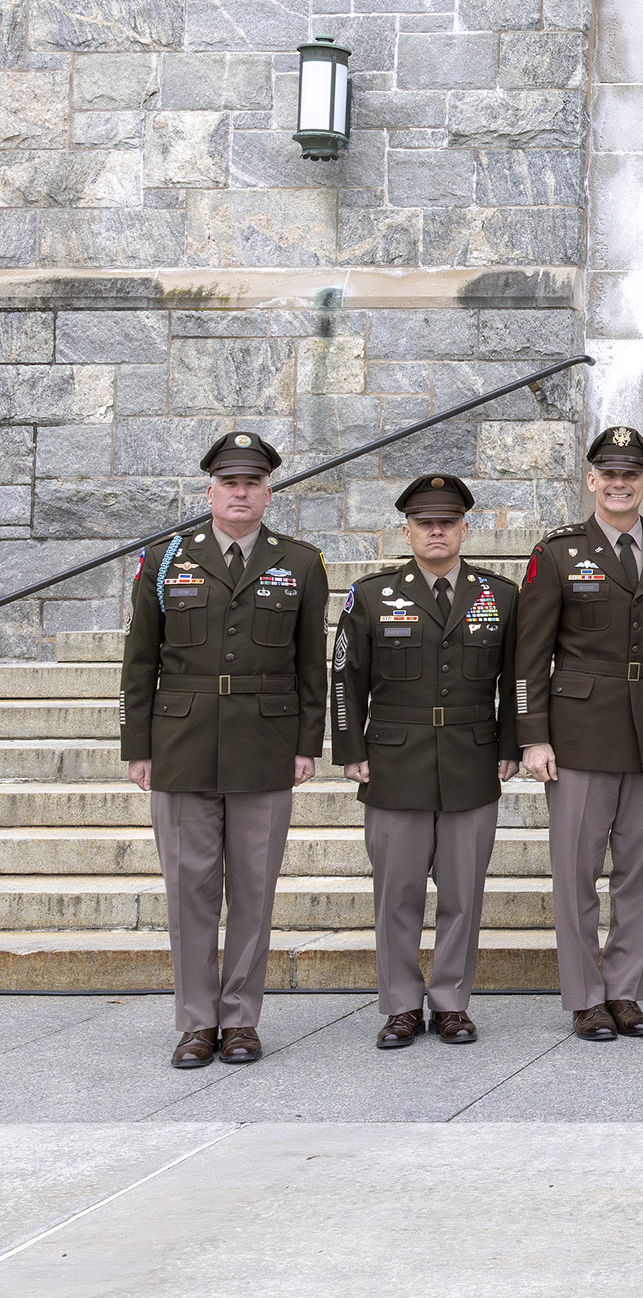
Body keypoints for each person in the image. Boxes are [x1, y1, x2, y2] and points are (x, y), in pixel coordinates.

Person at [119, 432, 327, 1070]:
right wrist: (138, 745)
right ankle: (195, 1022)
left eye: (252, 483)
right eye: (230, 483)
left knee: (254, 889)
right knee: (189, 891)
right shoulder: (164, 559)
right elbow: (141, 659)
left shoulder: (301, 562)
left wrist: (305, 744)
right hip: (180, 744)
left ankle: (239, 1020)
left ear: (269, 493)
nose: (241, 493)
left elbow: (310, 662)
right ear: (209, 491)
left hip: (265, 744)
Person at [515, 424, 643, 1043]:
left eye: (632, 476)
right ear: (591, 480)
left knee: (642, 873)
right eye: (609, 475)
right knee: (576, 872)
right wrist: (533, 736)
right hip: (579, 732)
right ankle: (585, 995)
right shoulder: (559, 552)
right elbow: (529, 654)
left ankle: (625, 990)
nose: (620, 485)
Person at [331, 474, 518, 1050]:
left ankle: (452, 1003)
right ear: (407, 531)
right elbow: (344, 676)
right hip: (395, 763)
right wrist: (350, 749)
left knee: (464, 893)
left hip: (472, 761)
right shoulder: (371, 595)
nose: (436, 531)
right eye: (423, 523)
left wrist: (511, 745)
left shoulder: (501, 595)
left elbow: (517, 679)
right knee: (398, 894)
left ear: (465, 528)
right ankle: (401, 1006)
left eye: (447, 522)